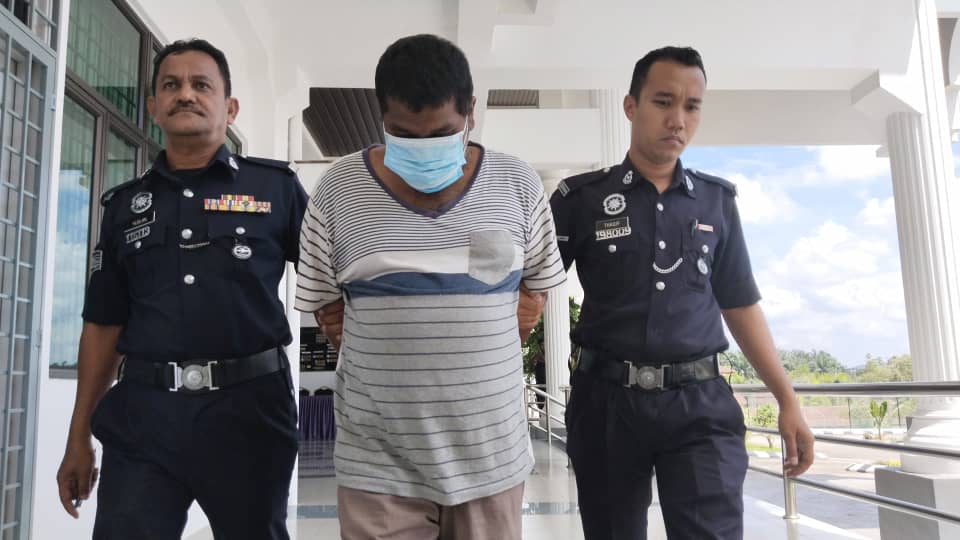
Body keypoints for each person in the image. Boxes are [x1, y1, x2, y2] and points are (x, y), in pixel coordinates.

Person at [295, 34, 564, 540]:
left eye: (440, 133)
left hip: (491, 459)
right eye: (403, 134)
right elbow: (329, 310)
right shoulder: (337, 190)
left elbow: (534, 292)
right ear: (382, 118)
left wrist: (477, 358)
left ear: (471, 112)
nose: (422, 147)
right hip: (377, 465)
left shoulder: (518, 184)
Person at [549, 46, 816, 539]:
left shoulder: (716, 202)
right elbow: (532, 292)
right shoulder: (580, 199)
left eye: (692, 106)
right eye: (663, 102)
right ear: (631, 106)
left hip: (700, 406)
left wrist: (787, 399)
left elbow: (739, 303)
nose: (678, 119)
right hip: (606, 405)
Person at [55, 38, 307, 540]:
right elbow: (103, 324)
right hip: (144, 417)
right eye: (171, 85)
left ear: (230, 108)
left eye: (201, 85)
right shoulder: (124, 206)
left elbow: (329, 285)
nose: (185, 94)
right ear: (153, 107)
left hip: (250, 414)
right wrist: (78, 435)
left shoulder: (275, 189)